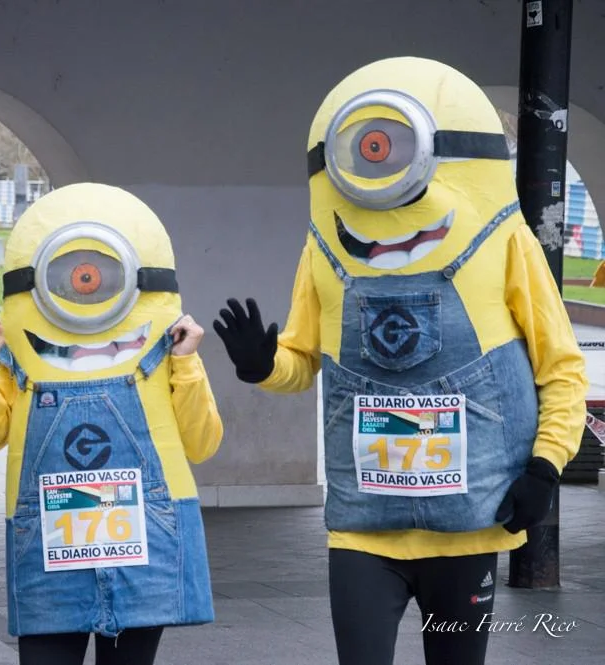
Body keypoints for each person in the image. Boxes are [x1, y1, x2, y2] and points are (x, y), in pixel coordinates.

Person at [213, 57, 588, 665]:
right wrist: (263, 365)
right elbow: (303, 361)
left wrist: (546, 468)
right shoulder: (323, 250)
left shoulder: (507, 242)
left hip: (468, 524)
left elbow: (561, 367)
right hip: (363, 527)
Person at [0, 183, 223, 665]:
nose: (87, 285)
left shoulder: (169, 352)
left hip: (144, 541)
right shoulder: (17, 354)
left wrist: (185, 362)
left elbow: (203, 443)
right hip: (49, 547)